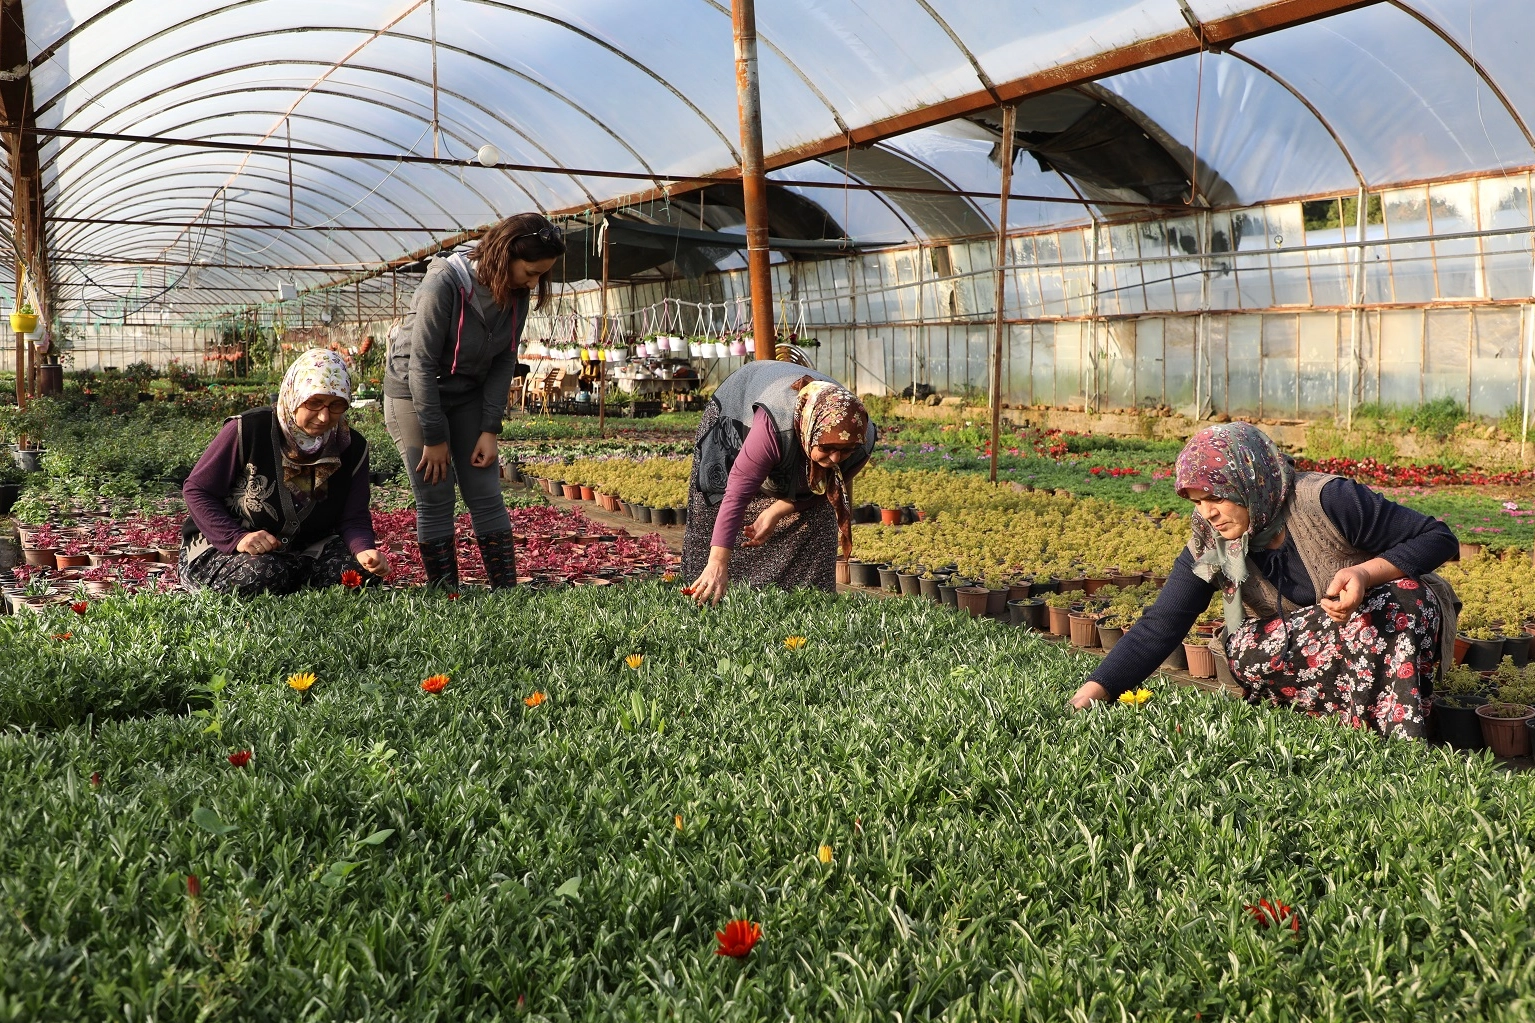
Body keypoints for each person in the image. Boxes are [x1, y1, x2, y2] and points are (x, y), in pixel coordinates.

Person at [1069, 422, 1460, 738]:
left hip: (1374, 621)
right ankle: (1346, 713)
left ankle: (1395, 734)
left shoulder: (1326, 499)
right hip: (1318, 637)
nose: (1208, 513)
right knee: (1242, 646)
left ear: (1249, 481)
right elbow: (1163, 622)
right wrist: (1096, 689)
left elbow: (1438, 537)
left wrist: (1364, 573)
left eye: (1217, 497)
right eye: (1196, 502)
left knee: (1403, 598)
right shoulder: (1211, 542)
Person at [384, 212, 565, 588]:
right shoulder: (444, 284)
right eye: (531, 272)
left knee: (484, 490)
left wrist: (489, 428)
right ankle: (447, 593)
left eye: (540, 275)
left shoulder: (517, 295)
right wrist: (434, 439)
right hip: (415, 391)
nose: (534, 282)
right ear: (504, 256)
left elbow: (504, 362)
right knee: (435, 492)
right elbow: (421, 366)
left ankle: (506, 591)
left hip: (467, 392)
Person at [180, 349, 390, 596]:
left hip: (305, 551)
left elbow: (353, 517)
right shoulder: (249, 429)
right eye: (314, 403)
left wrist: (364, 550)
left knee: (361, 574)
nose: (324, 416)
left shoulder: (350, 446)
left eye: (336, 406)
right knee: (262, 573)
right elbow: (197, 490)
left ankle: (289, 581)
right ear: (295, 394)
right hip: (228, 547)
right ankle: (283, 580)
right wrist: (237, 538)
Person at [684, 359, 876, 603]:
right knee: (714, 505)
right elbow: (736, 494)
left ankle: (805, 602)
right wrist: (718, 562)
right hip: (739, 406)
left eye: (845, 450)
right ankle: (713, 590)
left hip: (795, 424)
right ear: (809, 432)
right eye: (828, 448)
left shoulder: (861, 437)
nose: (836, 458)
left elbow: (828, 490)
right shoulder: (774, 427)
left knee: (817, 520)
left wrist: (777, 511)